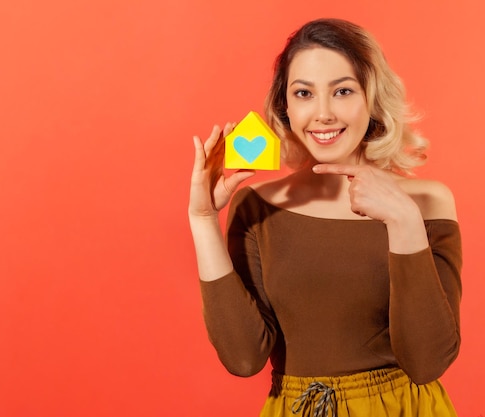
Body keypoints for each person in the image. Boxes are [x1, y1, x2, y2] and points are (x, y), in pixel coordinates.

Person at [188, 18, 462, 417]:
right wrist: (202, 218)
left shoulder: (427, 203)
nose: (323, 114)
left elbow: (427, 361)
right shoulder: (256, 207)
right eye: (304, 93)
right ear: (286, 106)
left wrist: (403, 222)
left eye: (343, 91)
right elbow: (243, 359)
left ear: (372, 98)